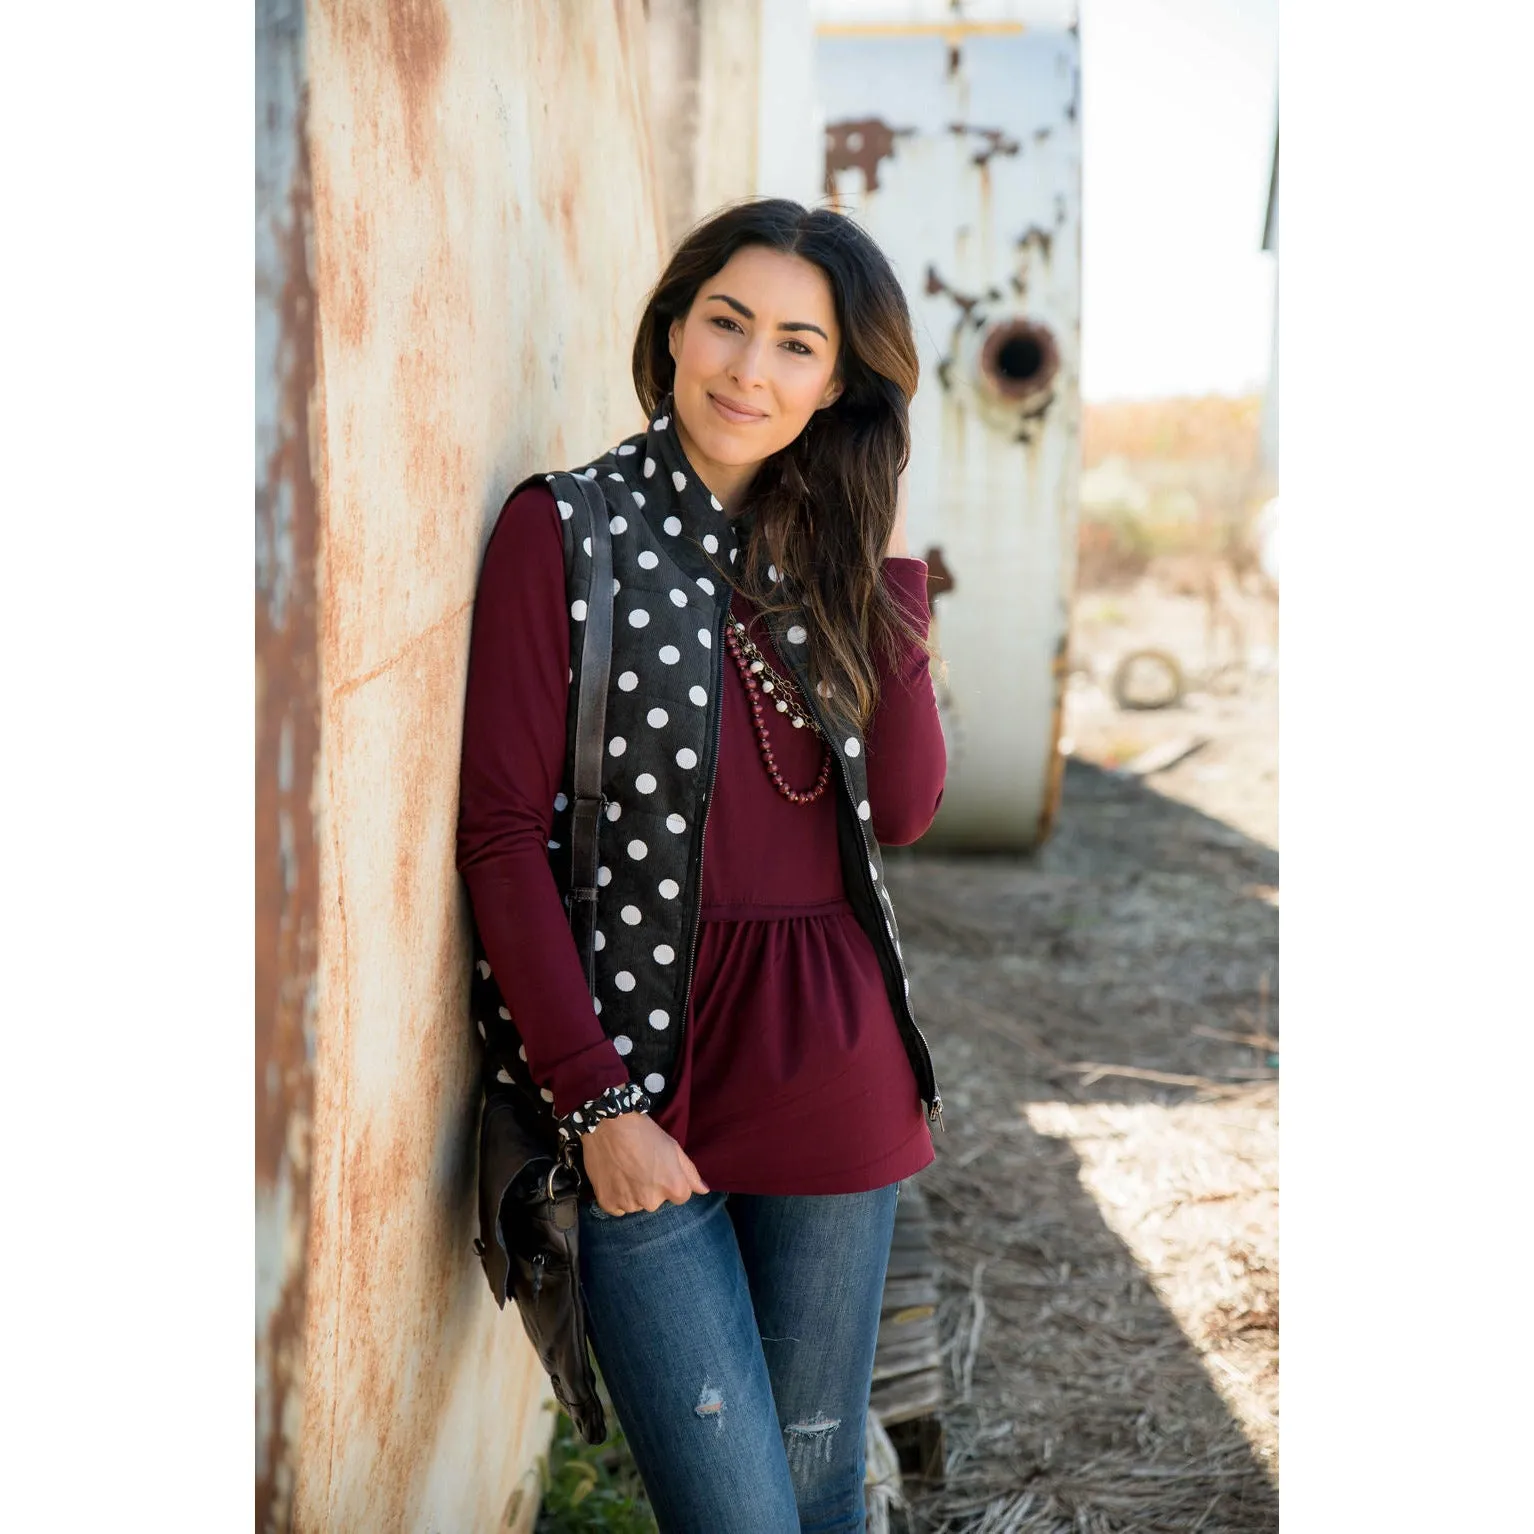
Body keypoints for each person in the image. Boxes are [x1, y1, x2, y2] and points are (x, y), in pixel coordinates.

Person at [456, 197, 947, 1533]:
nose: (749, 368)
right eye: (725, 322)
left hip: (833, 1078)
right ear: (672, 326)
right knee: (740, 1514)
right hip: (635, 1085)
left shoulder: (840, 561)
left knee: (820, 1488)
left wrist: (879, 548)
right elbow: (501, 834)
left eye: (798, 344)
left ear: (839, 382)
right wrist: (594, 1102)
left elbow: (902, 804)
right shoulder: (566, 531)